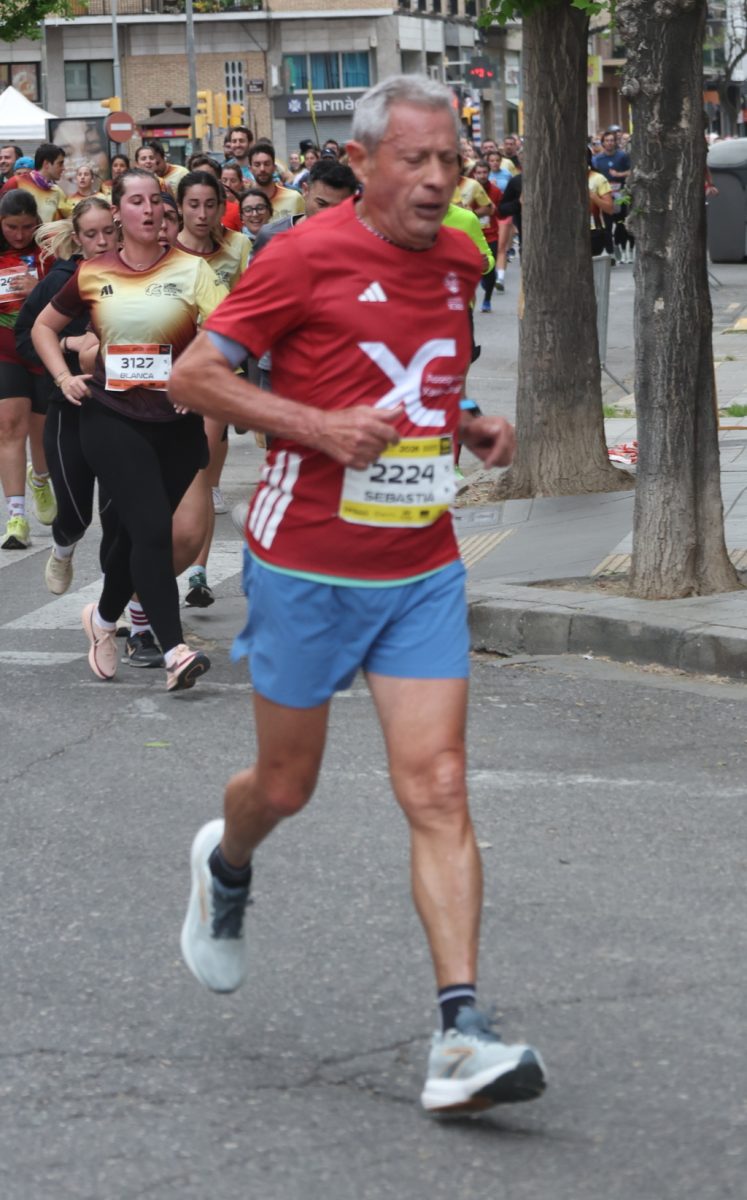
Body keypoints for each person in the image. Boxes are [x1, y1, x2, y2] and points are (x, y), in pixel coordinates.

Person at [170, 74, 547, 1117]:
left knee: (439, 786)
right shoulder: (300, 254)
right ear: (366, 161)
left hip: (420, 566)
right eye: (414, 160)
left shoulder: (462, 254)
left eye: (450, 161)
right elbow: (194, 375)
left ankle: (460, 1034)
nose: (435, 179)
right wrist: (316, 426)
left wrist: (466, 420)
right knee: (284, 787)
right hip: (305, 564)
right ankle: (226, 863)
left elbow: (420, 373)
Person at [31, 168, 227, 691]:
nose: (148, 209)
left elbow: (229, 332)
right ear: (118, 211)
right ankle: (174, 650)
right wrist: (63, 376)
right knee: (153, 530)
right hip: (110, 415)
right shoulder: (92, 272)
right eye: (136, 201)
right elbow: (43, 325)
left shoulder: (192, 270)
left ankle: (101, 618)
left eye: (155, 200)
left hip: (177, 422)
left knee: (134, 536)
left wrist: (197, 377)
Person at [15, 198, 119, 592]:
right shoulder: (60, 281)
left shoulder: (135, 277)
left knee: (117, 516)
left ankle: (115, 600)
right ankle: (62, 549)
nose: (102, 241)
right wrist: (67, 346)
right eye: (91, 234)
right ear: (77, 238)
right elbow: (26, 336)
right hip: (68, 408)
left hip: (121, 410)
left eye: (108, 231)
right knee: (76, 515)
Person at [0, 190, 57, 550]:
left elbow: (68, 296)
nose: (19, 235)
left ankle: (40, 478)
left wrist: (40, 289)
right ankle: (15, 517)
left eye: (25, 227)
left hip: (40, 350)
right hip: (4, 351)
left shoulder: (48, 253)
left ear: (36, 223)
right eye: (11, 227)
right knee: (9, 425)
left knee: (42, 432)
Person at [0, 143, 70, 222]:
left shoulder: (57, 191)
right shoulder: (16, 182)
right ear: (46, 164)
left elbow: (67, 218)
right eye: (60, 163)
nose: (63, 168)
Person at [472, 159, 501, 312]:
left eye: (484, 172)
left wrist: (494, 209)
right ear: (474, 174)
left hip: (491, 235)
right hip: (472, 235)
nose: (482, 175)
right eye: (479, 173)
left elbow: (499, 210)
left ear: (489, 173)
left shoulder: (495, 191)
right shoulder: (468, 190)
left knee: (490, 269)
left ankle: (487, 299)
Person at [247, 140, 304, 220]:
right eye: (257, 165)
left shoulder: (294, 198)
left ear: (274, 168)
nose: (262, 169)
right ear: (250, 169)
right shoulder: (245, 203)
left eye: (267, 164)